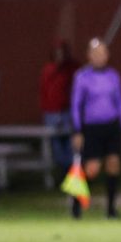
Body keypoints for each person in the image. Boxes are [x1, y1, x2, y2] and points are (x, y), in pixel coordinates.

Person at [70, 38, 121, 219]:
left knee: (113, 164)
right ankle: (76, 200)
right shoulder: (82, 77)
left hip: (111, 126)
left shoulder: (113, 76)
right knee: (92, 169)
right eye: (96, 54)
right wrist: (77, 130)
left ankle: (111, 209)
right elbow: (76, 105)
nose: (100, 57)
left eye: (103, 53)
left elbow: (120, 103)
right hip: (92, 128)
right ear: (89, 56)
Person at [39, 39, 79, 180]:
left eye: (62, 52)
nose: (60, 55)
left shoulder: (72, 69)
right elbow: (46, 91)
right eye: (57, 52)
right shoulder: (48, 70)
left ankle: (72, 172)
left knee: (70, 143)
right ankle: (63, 170)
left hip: (67, 111)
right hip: (52, 112)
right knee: (56, 144)